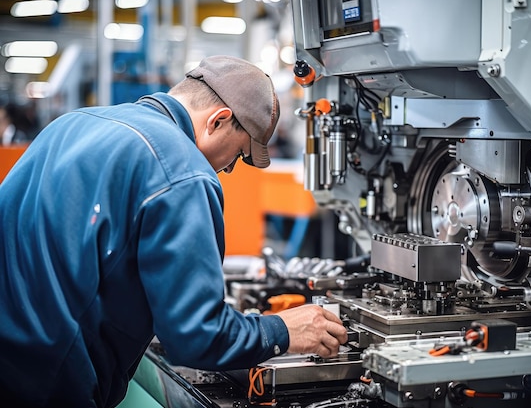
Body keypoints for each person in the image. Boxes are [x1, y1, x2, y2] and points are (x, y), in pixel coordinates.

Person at [0, 55, 348, 408]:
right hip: (46, 389)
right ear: (219, 120)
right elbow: (198, 336)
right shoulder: (183, 172)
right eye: (239, 155)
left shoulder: (72, 124)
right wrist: (284, 330)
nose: (227, 170)